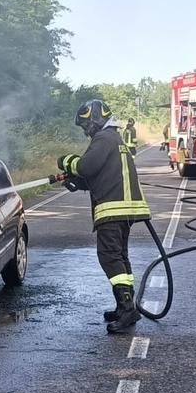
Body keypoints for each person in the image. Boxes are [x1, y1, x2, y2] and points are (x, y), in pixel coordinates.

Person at [57, 100, 152, 334]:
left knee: (109, 257)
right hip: (123, 209)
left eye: (85, 124)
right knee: (119, 257)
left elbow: (87, 166)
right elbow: (101, 175)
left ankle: (128, 308)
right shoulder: (114, 139)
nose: (85, 130)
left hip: (113, 209)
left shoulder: (103, 138)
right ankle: (124, 306)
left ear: (95, 119)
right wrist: (78, 183)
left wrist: (66, 161)